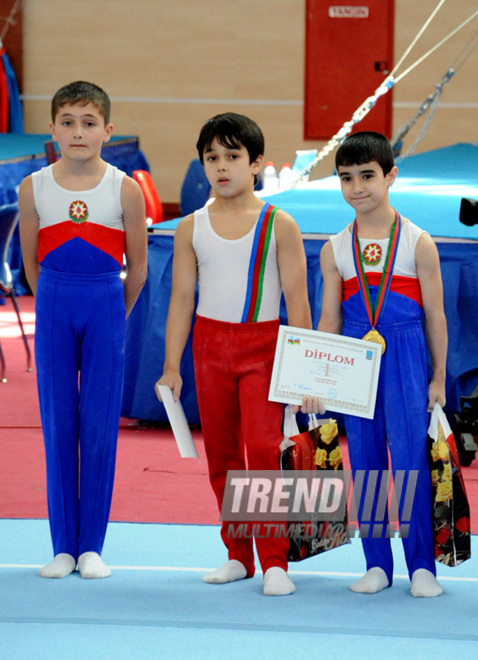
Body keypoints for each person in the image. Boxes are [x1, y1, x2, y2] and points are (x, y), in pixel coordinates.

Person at [157, 112, 312, 596]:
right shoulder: (191, 227)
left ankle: (274, 560)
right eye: (212, 157)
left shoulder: (278, 223)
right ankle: (238, 554)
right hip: (209, 346)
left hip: (263, 346)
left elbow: (298, 300)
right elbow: (182, 298)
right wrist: (169, 366)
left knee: (264, 453)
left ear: (256, 163)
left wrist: (304, 369)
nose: (221, 166)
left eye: (233, 156)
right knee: (221, 456)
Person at [302, 131, 447, 598]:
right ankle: (377, 563)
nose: (357, 187)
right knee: (364, 462)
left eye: (367, 175)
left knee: (409, 463)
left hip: (404, 354)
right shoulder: (334, 249)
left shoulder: (418, 243)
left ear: (391, 176)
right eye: (346, 178)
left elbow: (436, 314)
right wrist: (317, 379)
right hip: (352, 358)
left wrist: (439, 376)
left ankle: (421, 565)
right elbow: (328, 316)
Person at [19, 81, 148, 579]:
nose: (78, 132)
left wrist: (115, 310)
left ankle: (91, 545)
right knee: (59, 424)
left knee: (97, 425)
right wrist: (51, 298)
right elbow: (31, 263)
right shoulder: (36, 187)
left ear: (107, 132)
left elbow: (136, 267)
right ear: (52, 129)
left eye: (89, 123)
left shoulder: (124, 188)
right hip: (54, 298)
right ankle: (62, 547)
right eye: (68, 122)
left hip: (105, 302)